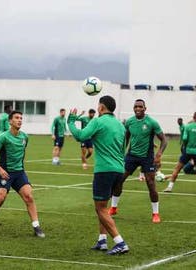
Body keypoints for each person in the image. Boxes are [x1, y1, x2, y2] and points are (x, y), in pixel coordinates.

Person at [67, 95, 129, 255]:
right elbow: (123, 149)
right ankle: (102, 240)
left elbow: (80, 136)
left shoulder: (98, 121)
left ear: (101, 107)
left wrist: (71, 122)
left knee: (100, 208)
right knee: (103, 207)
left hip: (104, 170)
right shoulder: (121, 126)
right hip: (119, 169)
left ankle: (120, 242)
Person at [0, 110, 45, 238]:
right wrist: (0, 170)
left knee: (29, 197)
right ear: (10, 121)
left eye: (21, 118)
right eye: (16, 118)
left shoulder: (25, 137)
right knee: (0, 199)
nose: (19, 120)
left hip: (19, 172)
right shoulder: (3, 137)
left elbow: (21, 154)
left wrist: (20, 169)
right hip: (5, 173)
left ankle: (36, 226)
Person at [108, 99, 167, 224]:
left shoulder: (151, 122)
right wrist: (121, 152)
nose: (138, 108)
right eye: (136, 106)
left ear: (145, 108)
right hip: (131, 156)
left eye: (140, 106)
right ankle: (113, 208)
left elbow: (164, 140)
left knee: (151, 184)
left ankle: (155, 213)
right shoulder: (129, 122)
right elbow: (126, 138)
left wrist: (159, 154)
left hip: (147, 157)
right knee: (119, 180)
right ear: (133, 108)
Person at [164, 111, 196, 194]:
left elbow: (185, 138)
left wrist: (185, 146)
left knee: (177, 169)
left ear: (193, 117)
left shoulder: (188, 126)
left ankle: (169, 187)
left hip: (188, 151)